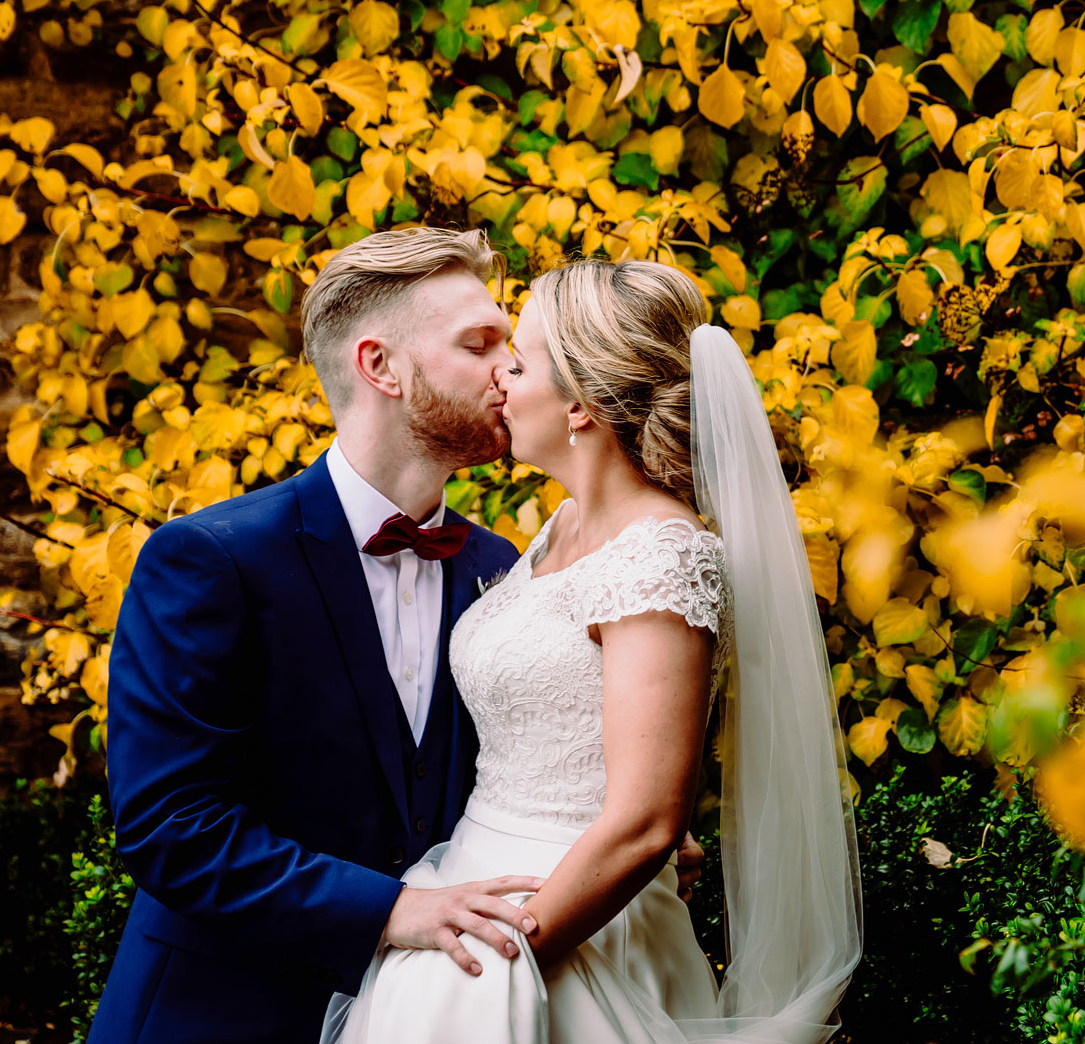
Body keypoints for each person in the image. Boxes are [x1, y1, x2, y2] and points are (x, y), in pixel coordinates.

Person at [90, 229, 706, 1043]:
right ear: (382, 367)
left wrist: (626, 824)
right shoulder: (212, 560)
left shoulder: (506, 570)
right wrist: (393, 910)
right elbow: (167, 821)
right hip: (225, 1008)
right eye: (481, 343)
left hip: (468, 1000)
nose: (508, 370)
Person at [323, 257, 864, 1043]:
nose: (500, 378)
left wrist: (503, 960)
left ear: (579, 401)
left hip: (570, 928)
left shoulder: (664, 552)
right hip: (474, 879)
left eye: (521, 359)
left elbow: (646, 819)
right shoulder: (555, 532)